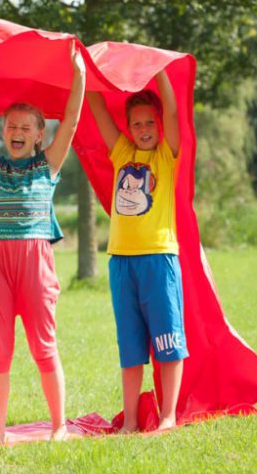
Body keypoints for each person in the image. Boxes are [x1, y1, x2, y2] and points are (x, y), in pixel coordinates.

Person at [0, 43, 85, 444]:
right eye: (11, 126)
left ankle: (59, 426)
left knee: (44, 344)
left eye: (27, 128)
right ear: (1, 129)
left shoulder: (48, 164)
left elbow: (72, 122)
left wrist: (78, 77)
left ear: (40, 134)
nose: (18, 133)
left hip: (35, 257)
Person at [86, 70, 188, 433]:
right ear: (128, 127)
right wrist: (89, 68)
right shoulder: (122, 152)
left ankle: (168, 416)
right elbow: (97, 108)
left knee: (167, 340)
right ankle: (129, 421)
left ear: (159, 124)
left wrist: (160, 75)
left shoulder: (165, 156)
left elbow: (175, 116)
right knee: (130, 348)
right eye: (136, 123)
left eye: (150, 122)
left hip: (159, 259)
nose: (143, 128)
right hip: (121, 262)